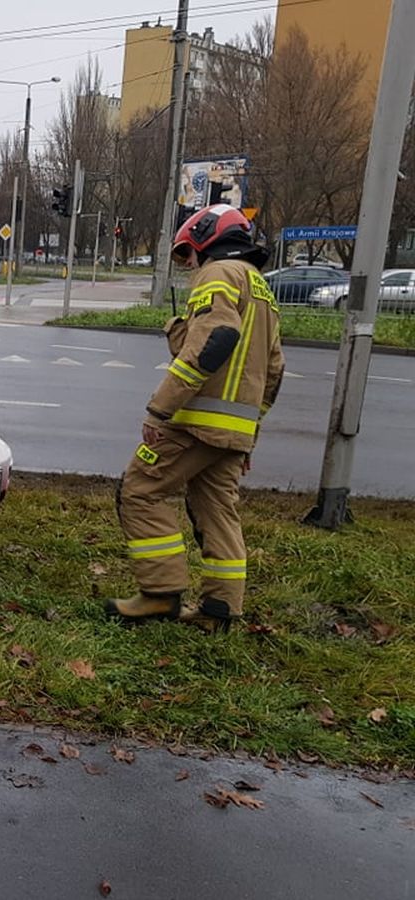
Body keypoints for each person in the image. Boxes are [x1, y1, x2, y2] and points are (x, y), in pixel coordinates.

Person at [107, 204, 285, 633]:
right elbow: (274, 370)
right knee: (217, 509)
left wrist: (160, 408)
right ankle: (219, 611)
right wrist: (248, 434)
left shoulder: (219, 273)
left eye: (189, 255)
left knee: (140, 490)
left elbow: (213, 339)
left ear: (207, 239)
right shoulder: (262, 289)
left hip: (193, 421)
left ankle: (160, 594)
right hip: (235, 429)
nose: (189, 265)